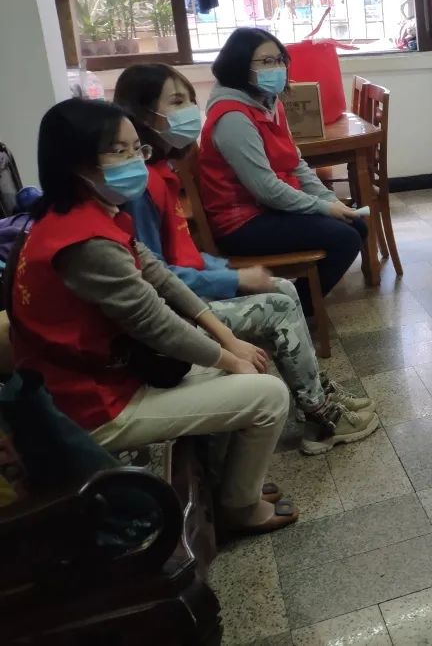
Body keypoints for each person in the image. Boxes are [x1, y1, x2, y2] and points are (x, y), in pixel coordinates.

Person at [10, 98, 297, 533]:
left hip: (106, 375)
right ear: (78, 162)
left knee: (239, 364)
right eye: (118, 151)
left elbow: (159, 277)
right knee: (269, 395)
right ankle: (239, 507)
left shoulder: (79, 214)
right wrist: (229, 357)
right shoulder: (86, 244)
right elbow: (155, 324)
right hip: (91, 406)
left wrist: (227, 340)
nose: (135, 161)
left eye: (136, 149)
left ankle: (226, 485)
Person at [114, 63, 378, 455]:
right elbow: (156, 277)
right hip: (168, 315)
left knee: (284, 287)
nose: (190, 111)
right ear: (143, 112)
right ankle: (321, 419)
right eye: (177, 101)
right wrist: (233, 278)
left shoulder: (161, 173)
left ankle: (316, 396)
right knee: (279, 305)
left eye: (189, 100)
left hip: (188, 289)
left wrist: (229, 271)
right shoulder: (143, 186)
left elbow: (182, 256)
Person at [198, 27, 368, 313]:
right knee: (345, 238)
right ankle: (292, 310)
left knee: (357, 225)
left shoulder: (268, 102)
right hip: (241, 224)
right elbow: (265, 189)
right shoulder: (233, 117)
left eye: (280, 60)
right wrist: (323, 208)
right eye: (266, 61)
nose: (277, 68)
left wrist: (329, 200)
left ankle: (293, 304)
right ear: (240, 64)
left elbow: (295, 163)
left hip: (266, 210)